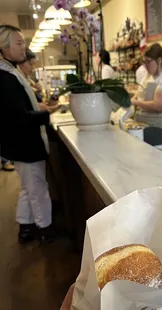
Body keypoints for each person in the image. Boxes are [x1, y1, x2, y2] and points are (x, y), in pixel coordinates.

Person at [0, 25, 59, 244]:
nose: (23, 47)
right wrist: (44, 115)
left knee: (28, 187)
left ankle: (25, 226)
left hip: (19, 143)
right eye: (18, 43)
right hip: (24, 143)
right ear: (3, 47)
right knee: (38, 189)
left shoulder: (9, 71)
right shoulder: (5, 78)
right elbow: (18, 117)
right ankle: (46, 230)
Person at [131, 43, 162, 136]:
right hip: (143, 120)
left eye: (148, 62)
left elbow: (158, 106)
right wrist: (134, 98)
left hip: (159, 125)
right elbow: (140, 92)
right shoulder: (147, 75)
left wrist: (135, 102)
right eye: (144, 62)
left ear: (159, 60)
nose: (146, 65)